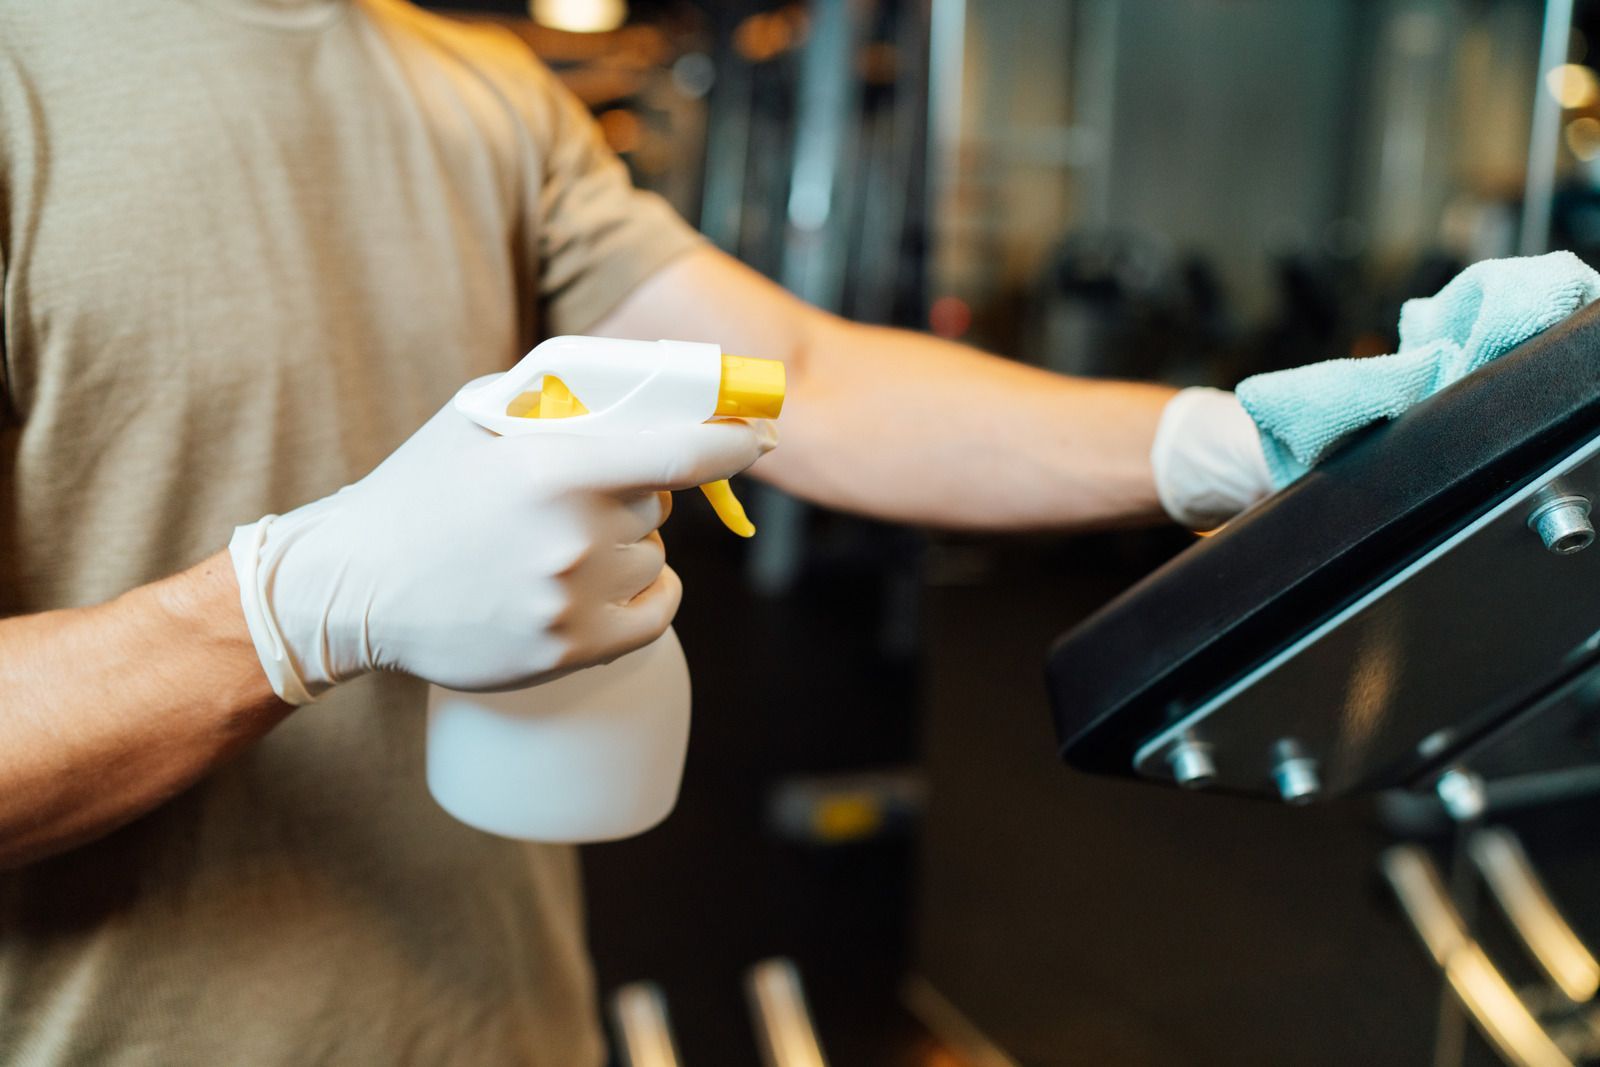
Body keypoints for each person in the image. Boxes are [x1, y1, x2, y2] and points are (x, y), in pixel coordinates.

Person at [0, 0, 1272, 1062]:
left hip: (506, 1019)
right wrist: (288, 606)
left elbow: (789, 371)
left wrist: (1229, 445)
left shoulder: (486, 91)